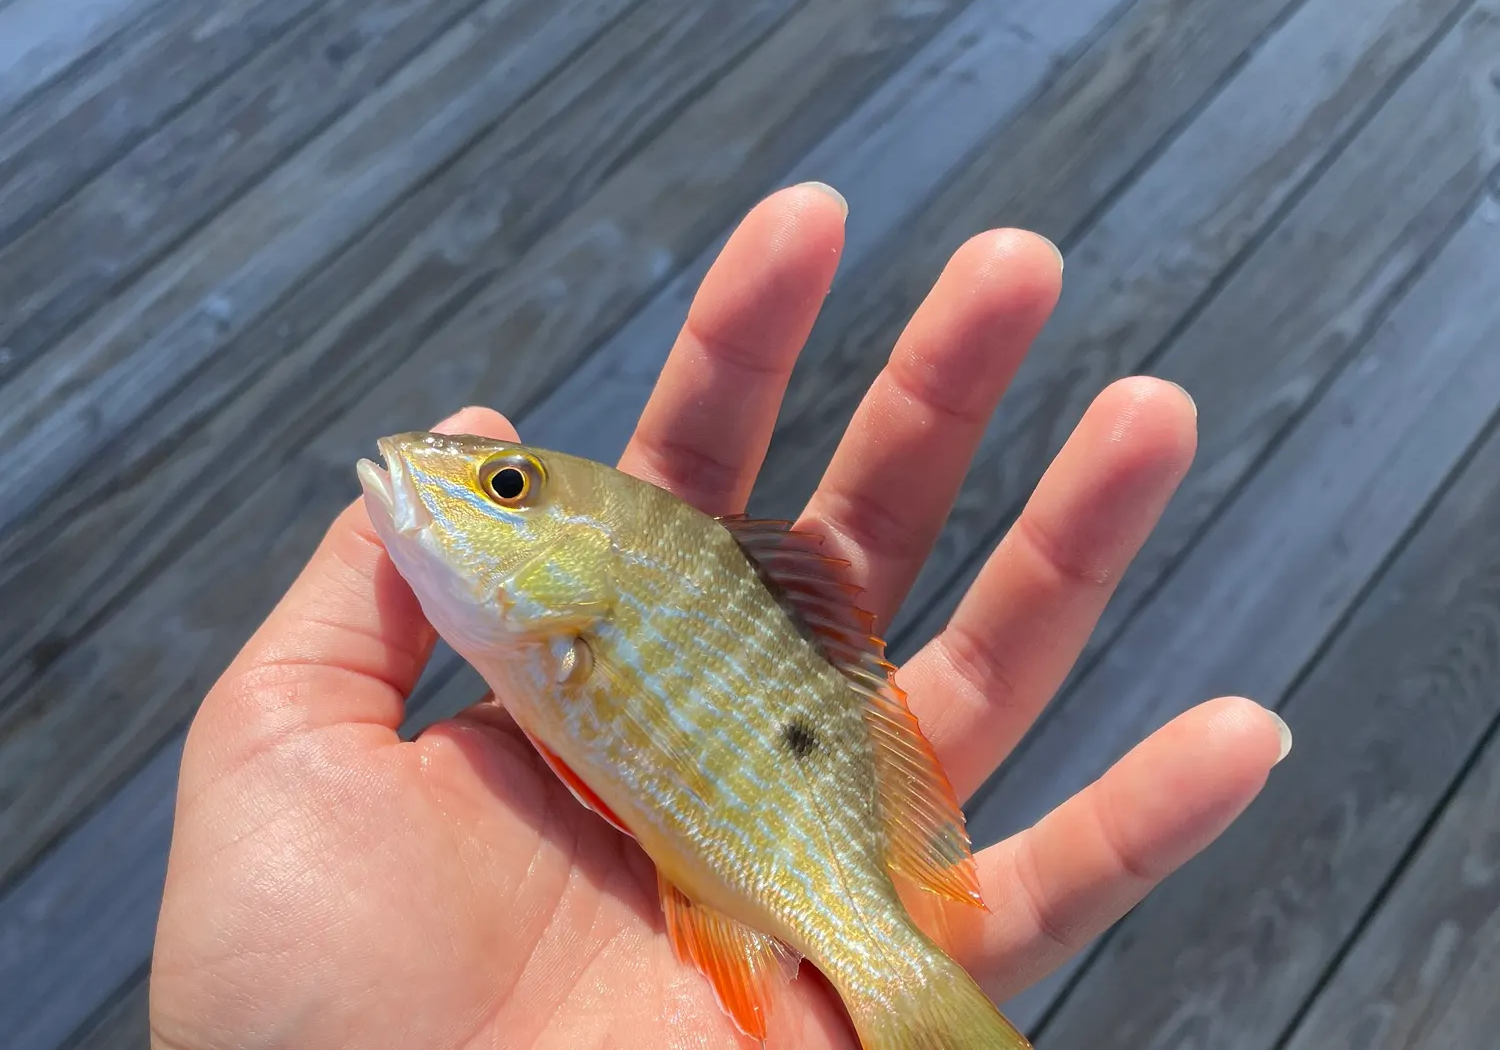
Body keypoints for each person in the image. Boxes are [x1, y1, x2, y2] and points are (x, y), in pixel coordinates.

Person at [149, 185, 1288, 1050]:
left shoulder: (558, 644)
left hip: (788, 862)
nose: (459, 480)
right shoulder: (552, 641)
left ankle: (899, 989)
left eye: (507, 490)